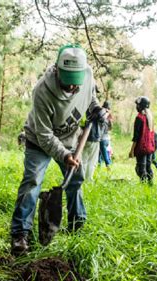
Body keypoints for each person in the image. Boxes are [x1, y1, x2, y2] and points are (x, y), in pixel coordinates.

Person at [10, 44, 105, 255]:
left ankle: (76, 224)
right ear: (57, 70)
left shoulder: (87, 75)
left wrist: (96, 109)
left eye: (75, 84)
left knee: (74, 180)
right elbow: (44, 136)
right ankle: (20, 235)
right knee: (32, 182)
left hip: (70, 138)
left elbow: (89, 96)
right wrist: (64, 155)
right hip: (39, 140)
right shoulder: (42, 91)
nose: (72, 89)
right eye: (68, 84)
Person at [129, 96, 155, 184]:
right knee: (148, 167)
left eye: (137, 105)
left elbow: (136, 136)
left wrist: (132, 150)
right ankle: (150, 184)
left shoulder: (139, 118)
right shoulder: (150, 117)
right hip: (150, 147)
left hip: (142, 147)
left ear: (140, 106)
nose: (137, 107)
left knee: (141, 168)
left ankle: (143, 185)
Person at [98, 100, 112, 169]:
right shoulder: (109, 115)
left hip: (102, 138)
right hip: (107, 138)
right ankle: (98, 166)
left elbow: (100, 121)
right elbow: (110, 127)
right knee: (99, 153)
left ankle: (108, 166)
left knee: (104, 153)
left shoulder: (103, 114)